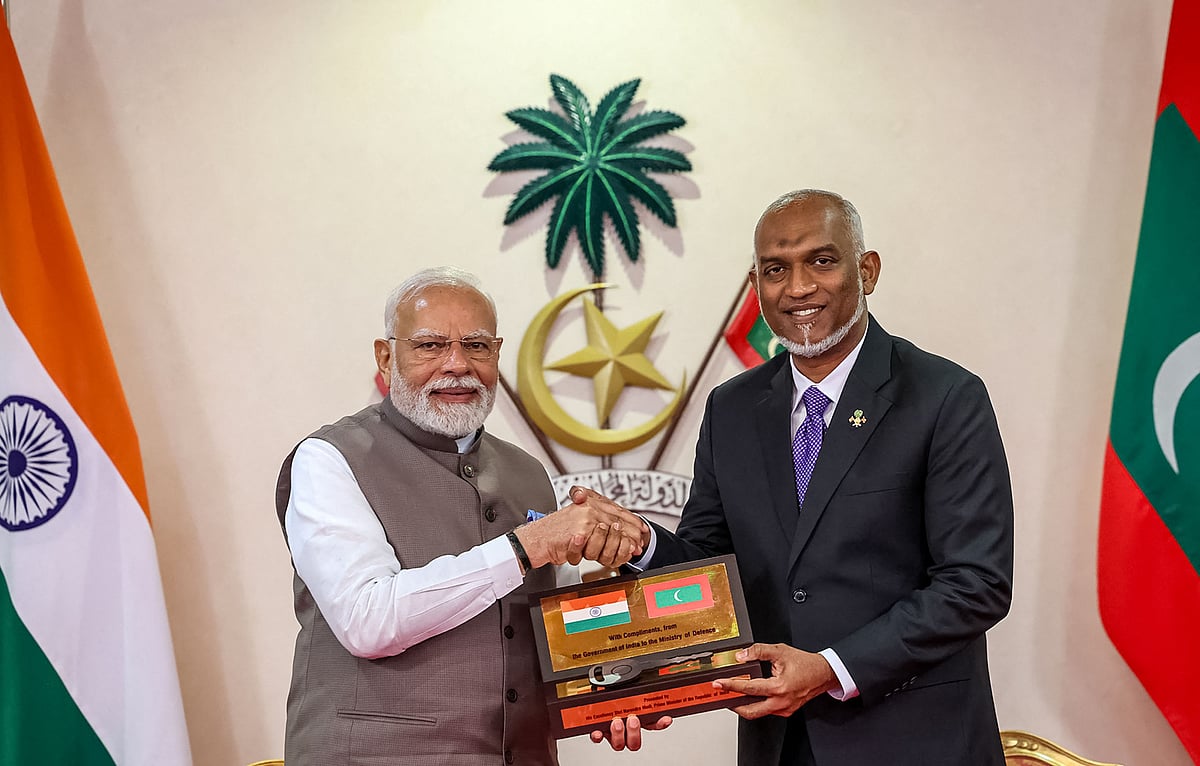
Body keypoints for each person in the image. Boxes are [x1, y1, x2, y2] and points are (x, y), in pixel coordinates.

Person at [622, 189, 1014, 765]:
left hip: (915, 742)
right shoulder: (732, 408)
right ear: (756, 283)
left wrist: (830, 668)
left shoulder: (945, 397)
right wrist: (642, 544)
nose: (798, 287)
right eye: (776, 270)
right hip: (780, 745)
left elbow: (975, 583)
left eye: (822, 261)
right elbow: (710, 569)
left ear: (868, 270)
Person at [275, 266, 657, 766]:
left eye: (476, 346)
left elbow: (559, 626)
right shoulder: (330, 459)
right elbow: (368, 621)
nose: (456, 365)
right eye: (430, 346)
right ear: (386, 356)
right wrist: (527, 546)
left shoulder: (527, 471)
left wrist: (617, 688)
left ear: (497, 354)